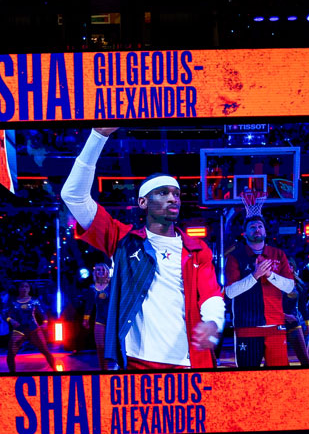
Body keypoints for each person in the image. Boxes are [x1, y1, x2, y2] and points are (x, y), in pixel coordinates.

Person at [60, 126, 224, 371]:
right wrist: (98, 135)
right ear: (143, 202)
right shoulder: (123, 239)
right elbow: (73, 196)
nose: (173, 198)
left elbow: (211, 294)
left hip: (189, 363)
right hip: (136, 363)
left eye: (176, 194)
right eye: (163, 192)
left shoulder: (196, 249)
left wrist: (213, 321)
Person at [222, 192, 300, 368]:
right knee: (248, 378)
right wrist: (255, 276)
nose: (257, 229)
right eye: (252, 227)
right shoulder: (235, 257)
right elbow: (230, 292)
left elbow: (289, 287)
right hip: (246, 327)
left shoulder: (278, 254)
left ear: (265, 231)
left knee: (279, 377)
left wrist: (270, 275)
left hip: (275, 326)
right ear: (245, 233)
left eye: (259, 226)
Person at [2, 280, 59, 373]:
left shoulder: (34, 301)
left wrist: (45, 322)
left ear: (29, 289)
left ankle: (56, 371)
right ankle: (12, 374)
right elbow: (4, 313)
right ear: (18, 289)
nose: (24, 289)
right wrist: (10, 320)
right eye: (22, 287)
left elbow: (43, 313)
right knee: (11, 354)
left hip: (34, 329)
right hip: (19, 330)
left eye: (26, 287)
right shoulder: (12, 301)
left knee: (45, 351)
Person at [80, 260, 113, 369]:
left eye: (103, 269)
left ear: (107, 272)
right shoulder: (91, 288)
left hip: (113, 321)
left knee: (116, 347)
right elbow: (89, 305)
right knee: (100, 347)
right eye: (98, 270)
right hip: (99, 321)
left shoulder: (113, 285)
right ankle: (104, 370)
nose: (100, 271)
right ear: (95, 273)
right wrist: (86, 320)